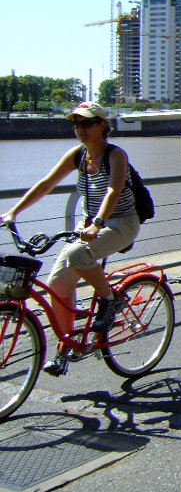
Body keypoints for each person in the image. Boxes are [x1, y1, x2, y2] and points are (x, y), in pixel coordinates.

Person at [0, 102, 139, 376]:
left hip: (121, 223)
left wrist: (97, 224)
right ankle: (67, 348)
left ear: (102, 125)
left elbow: (113, 191)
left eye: (86, 123)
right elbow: (46, 184)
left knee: (77, 255)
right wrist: (13, 212)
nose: (80, 129)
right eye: (76, 124)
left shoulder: (115, 155)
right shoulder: (77, 155)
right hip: (88, 224)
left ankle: (110, 300)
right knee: (57, 285)